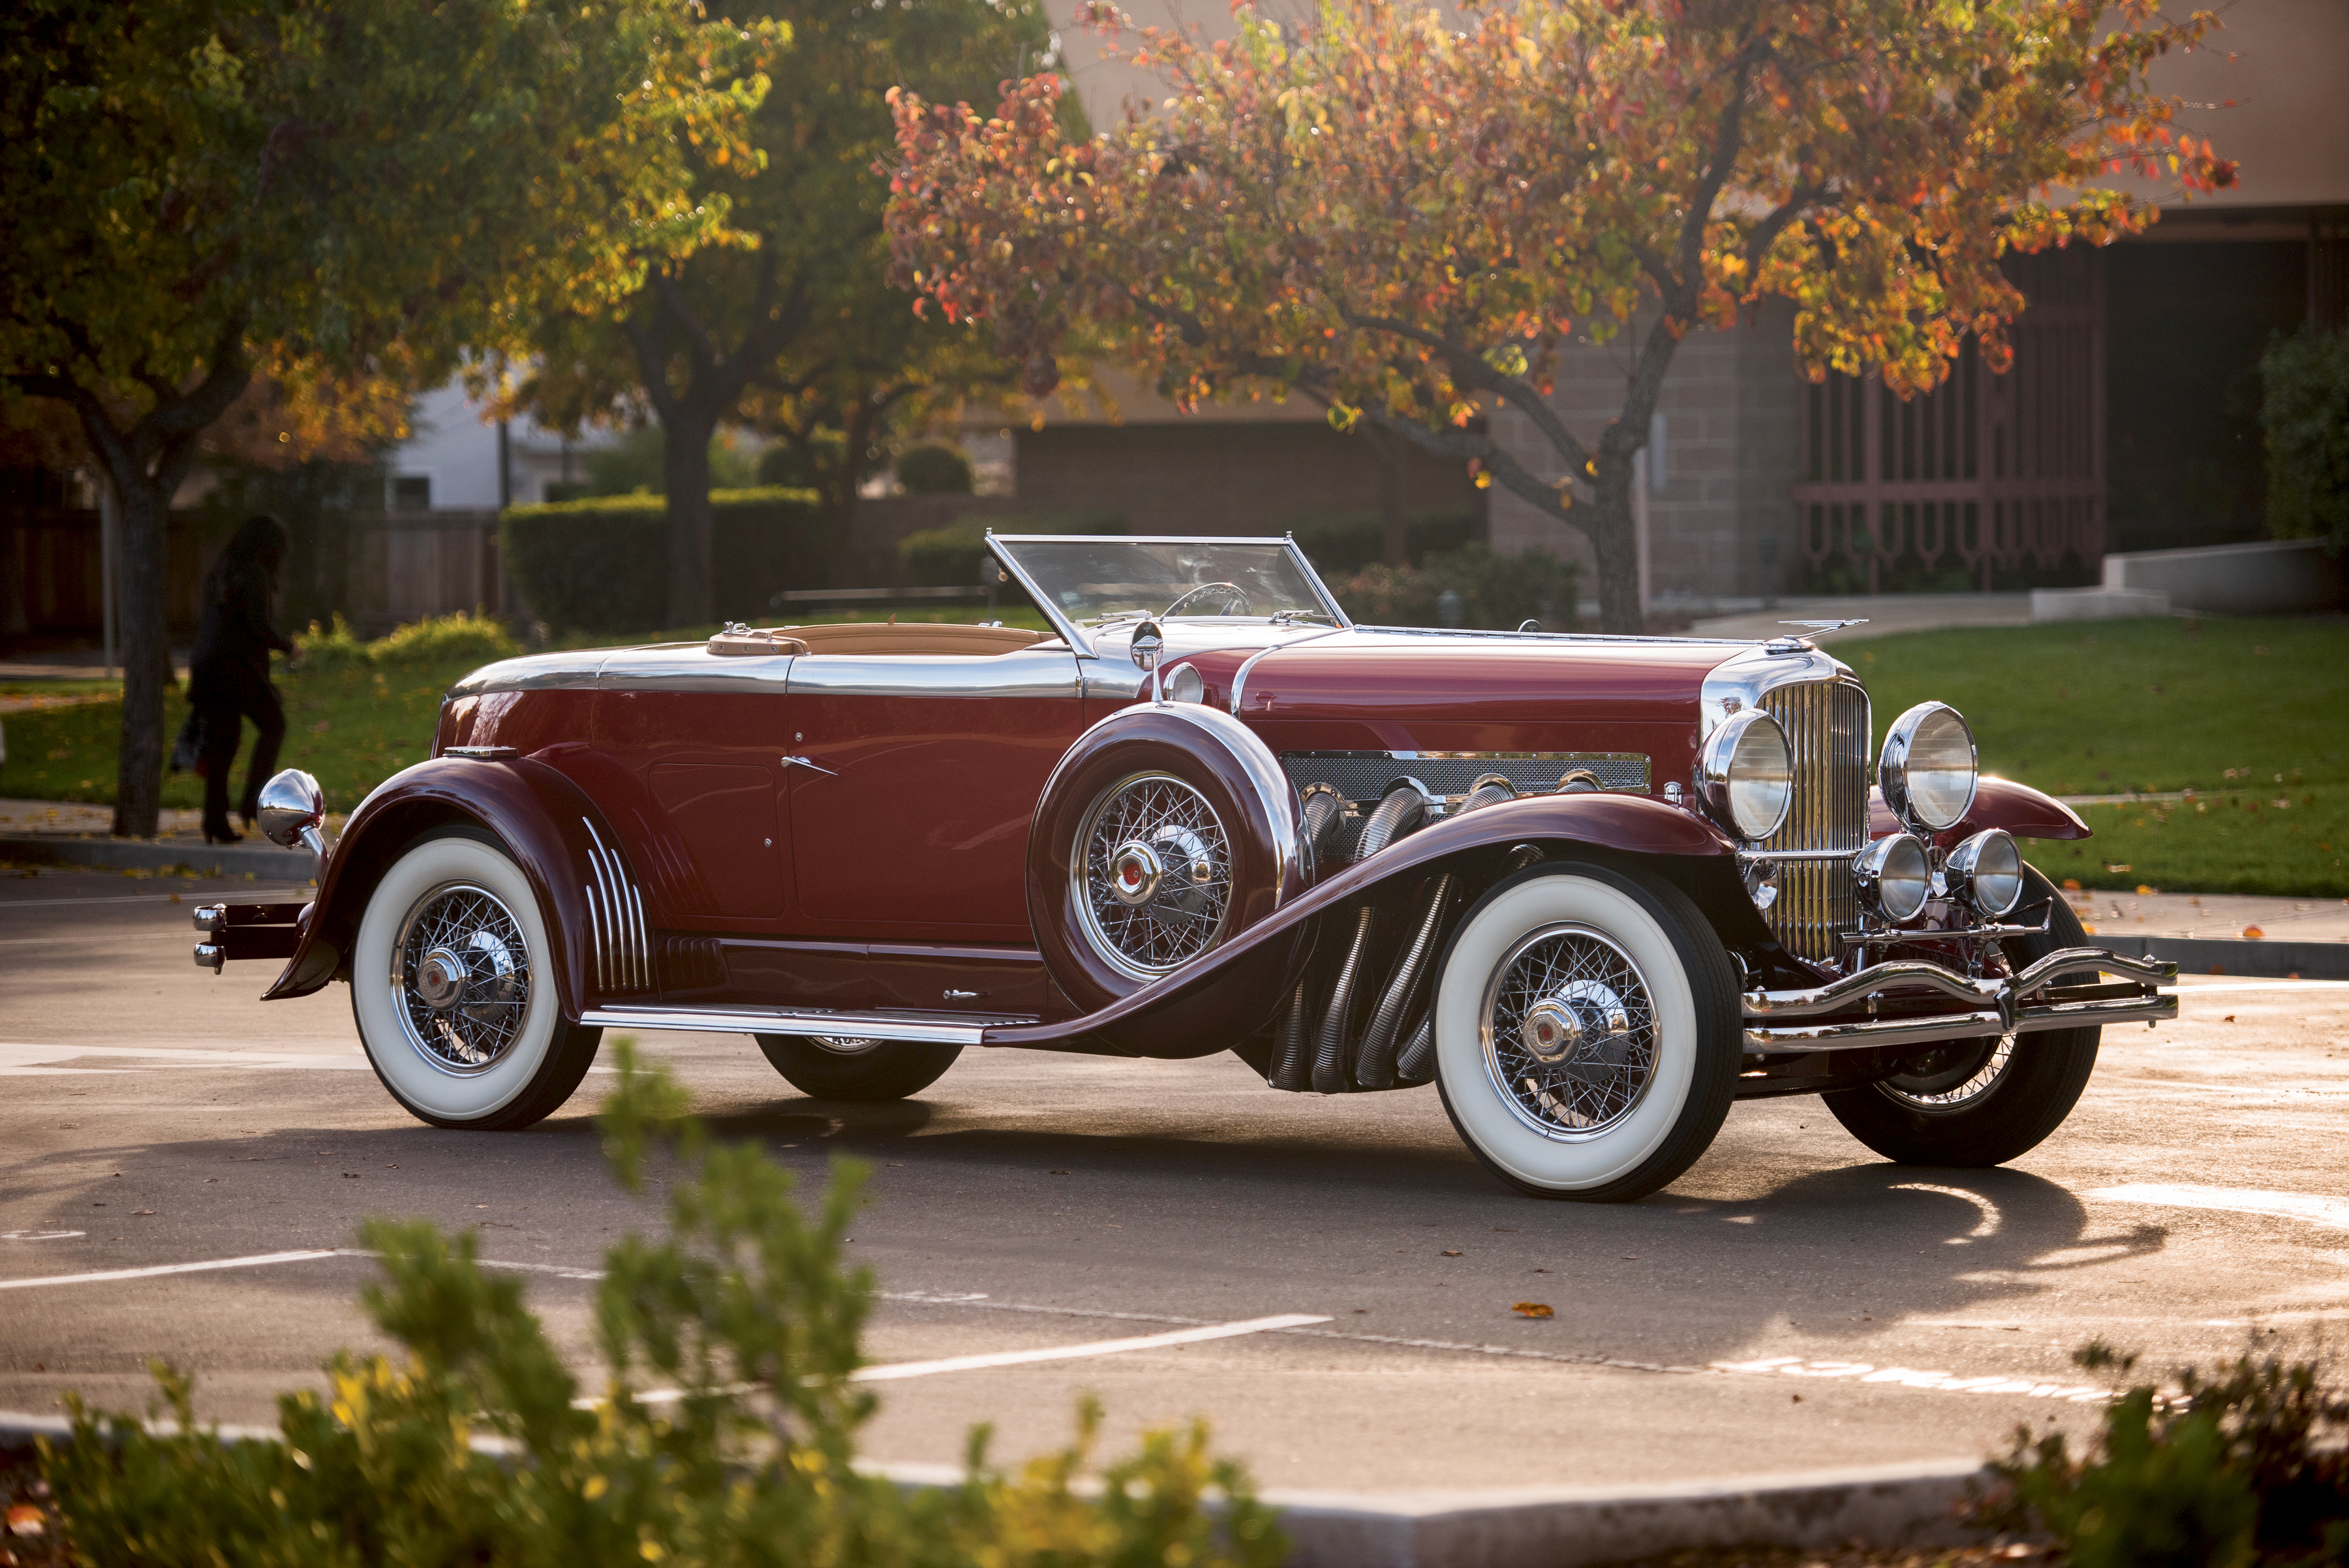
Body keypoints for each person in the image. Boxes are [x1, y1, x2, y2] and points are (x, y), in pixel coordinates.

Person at [187, 514, 296, 843]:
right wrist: (289, 647)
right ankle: (252, 803)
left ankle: (214, 821)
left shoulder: (222, 569)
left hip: (207, 664)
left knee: (223, 744)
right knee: (274, 725)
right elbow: (257, 627)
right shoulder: (254, 574)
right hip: (233, 668)